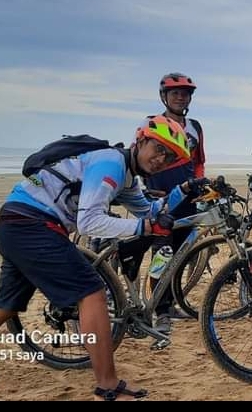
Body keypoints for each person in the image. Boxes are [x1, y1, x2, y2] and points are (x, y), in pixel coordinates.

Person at [0, 116, 199, 401]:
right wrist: (144, 228)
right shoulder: (111, 164)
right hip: (31, 223)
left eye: (169, 158)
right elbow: (89, 223)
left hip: (17, 221)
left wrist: (185, 189)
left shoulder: (127, 175)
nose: (161, 159)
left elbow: (148, 211)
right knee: (92, 292)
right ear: (140, 140)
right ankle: (107, 386)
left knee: (7, 304)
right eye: (159, 148)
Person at [139, 72, 206, 335]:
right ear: (164, 96)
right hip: (162, 200)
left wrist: (201, 186)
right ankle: (161, 311)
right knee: (161, 256)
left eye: (185, 93)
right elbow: (140, 158)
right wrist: (145, 189)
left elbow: (198, 162)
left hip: (188, 199)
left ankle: (170, 303)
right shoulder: (151, 123)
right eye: (175, 93)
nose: (181, 97)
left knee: (180, 254)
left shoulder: (195, 127)